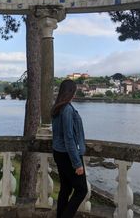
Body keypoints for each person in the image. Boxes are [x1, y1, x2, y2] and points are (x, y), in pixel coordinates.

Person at [51, 79, 88, 218]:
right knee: (81, 190)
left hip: (59, 153)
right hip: (68, 155)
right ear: (70, 92)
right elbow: (69, 138)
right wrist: (77, 163)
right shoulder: (66, 109)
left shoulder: (58, 107)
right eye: (74, 91)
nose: (75, 93)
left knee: (66, 189)